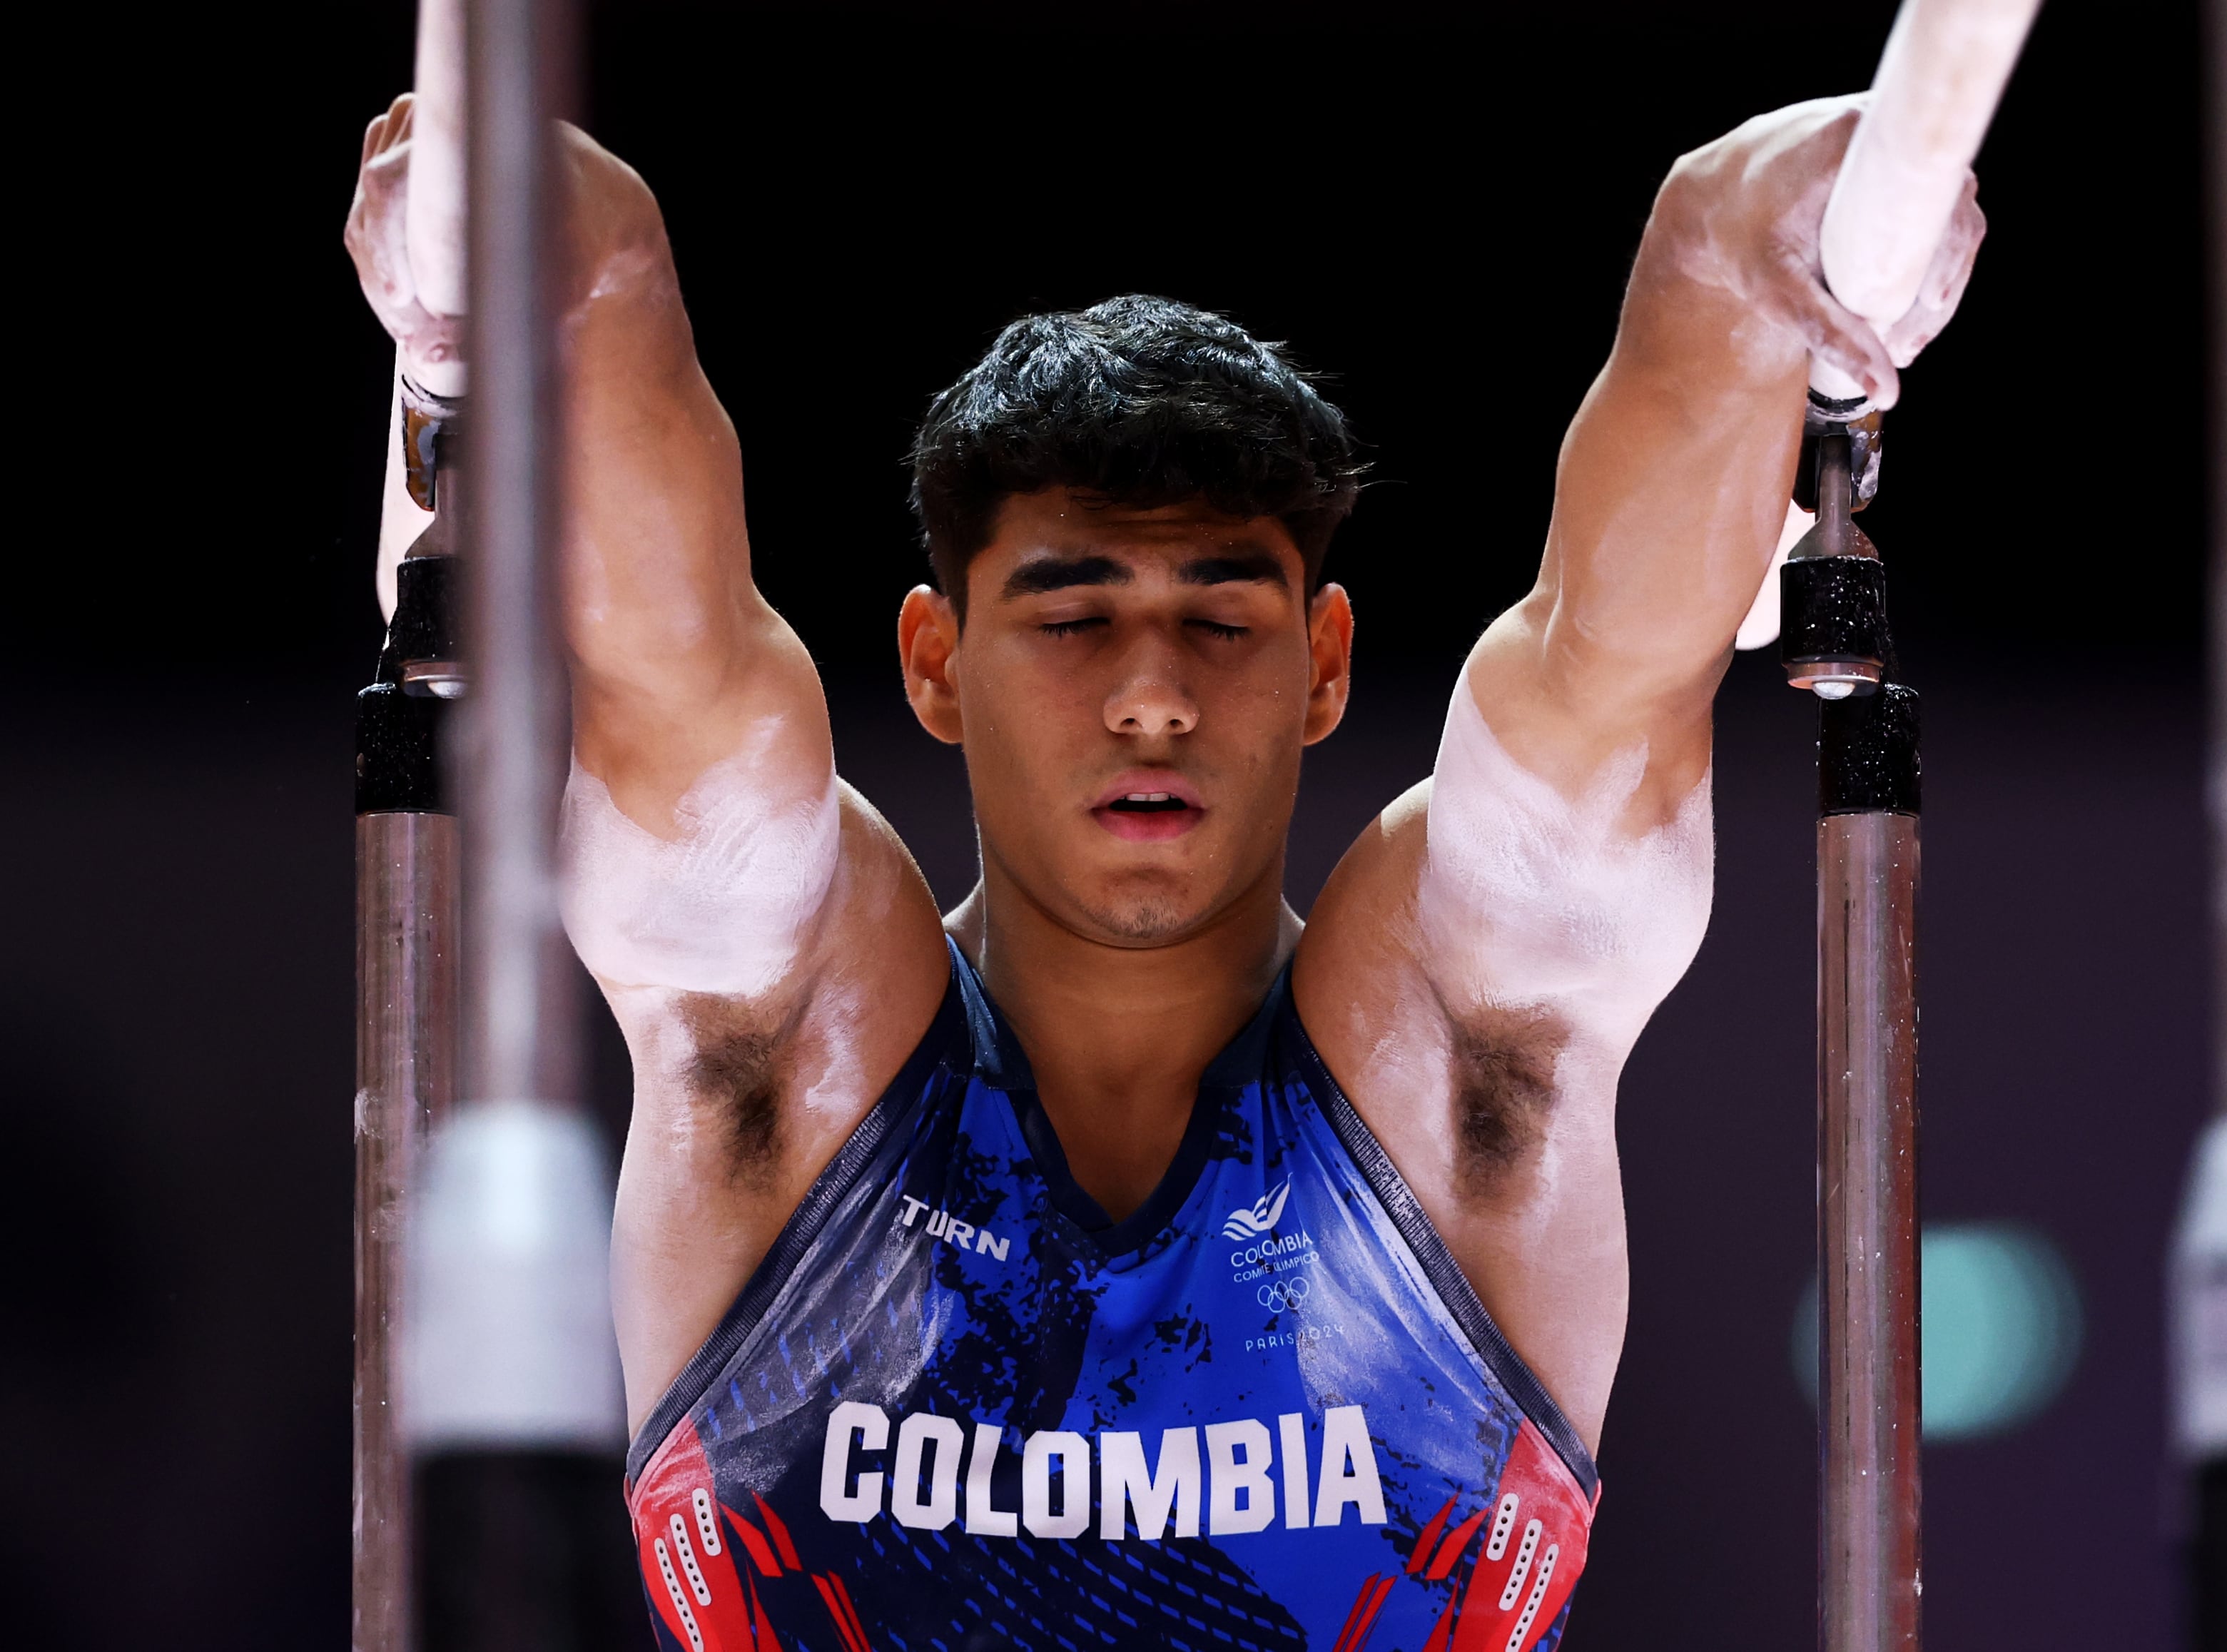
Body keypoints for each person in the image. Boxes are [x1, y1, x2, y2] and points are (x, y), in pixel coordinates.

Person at [346, 88, 1980, 1652]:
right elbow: (670, 671)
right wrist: (538, 235)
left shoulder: (1467, 1067)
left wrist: (1766, 237)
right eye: (1072, 618)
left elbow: (1608, 676)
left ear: (1326, 664)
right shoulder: (774, 1052)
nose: (1151, 694)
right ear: (933, 663)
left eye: (1220, 615)